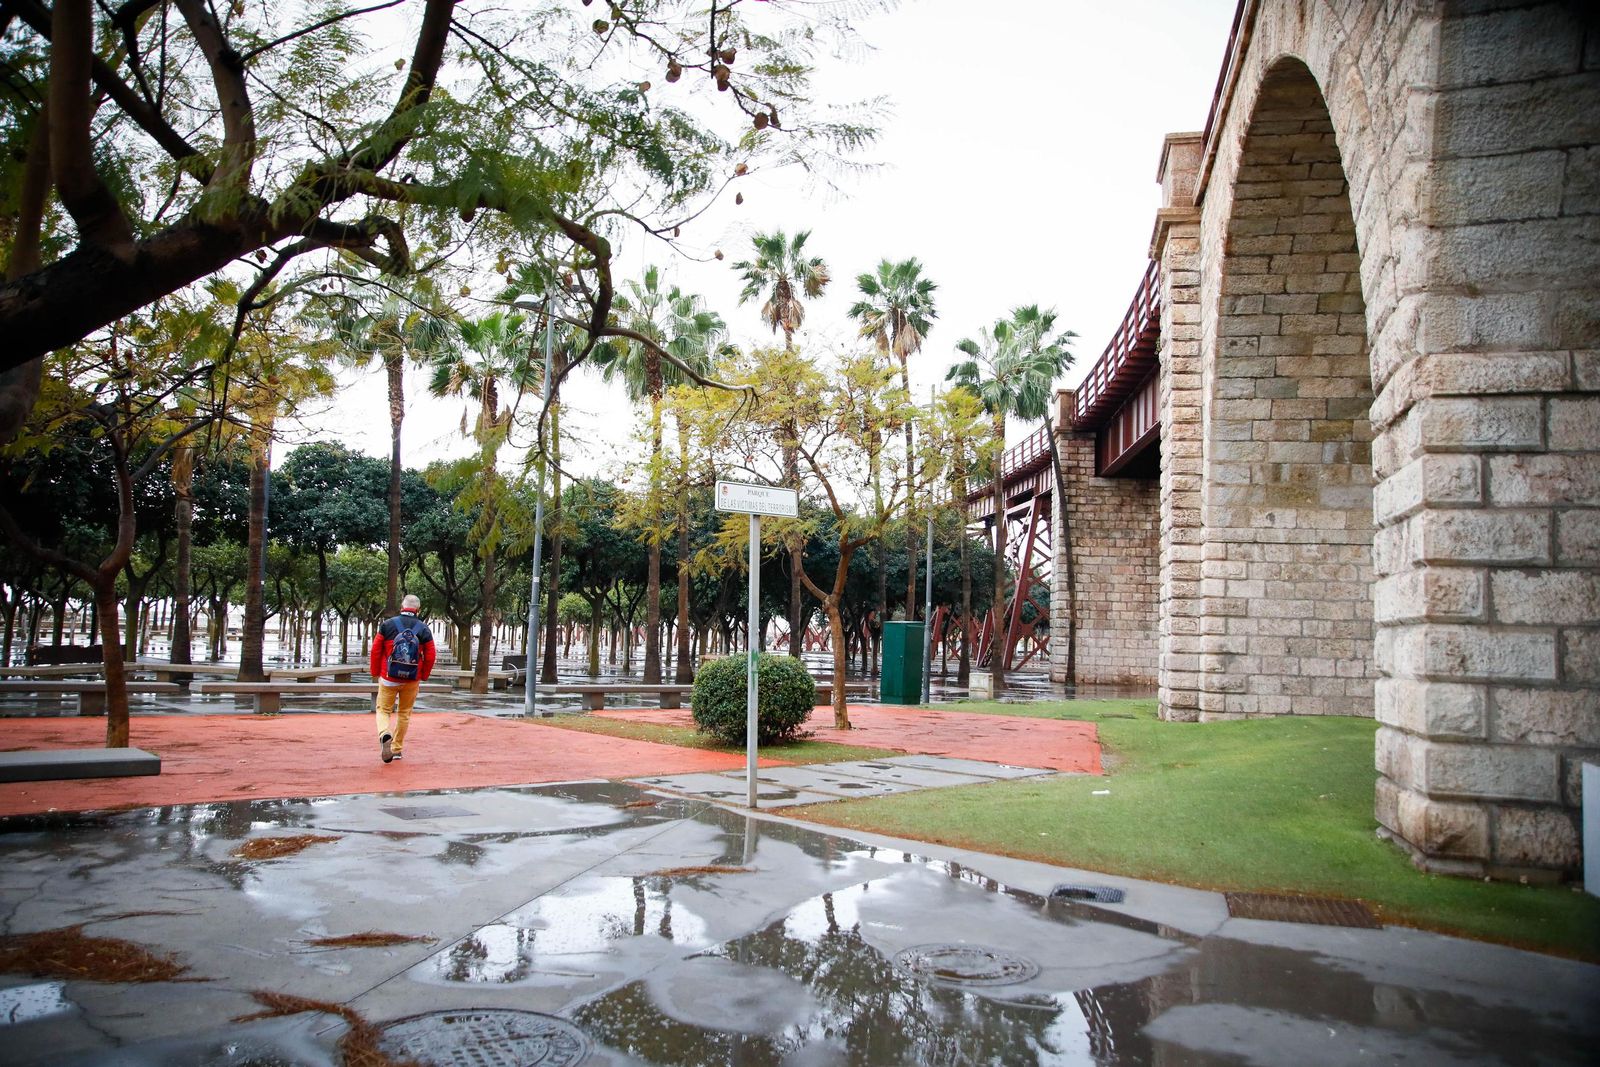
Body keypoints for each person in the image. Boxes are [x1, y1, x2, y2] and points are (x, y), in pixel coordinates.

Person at [369, 594, 436, 763]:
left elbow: (376, 650)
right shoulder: (423, 629)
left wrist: (375, 671)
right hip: (412, 679)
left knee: (383, 709)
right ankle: (397, 749)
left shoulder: (387, 625)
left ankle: (385, 733)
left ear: (402, 607)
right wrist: (424, 675)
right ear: (418, 610)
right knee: (404, 713)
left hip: (388, 677)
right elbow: (431, 655)